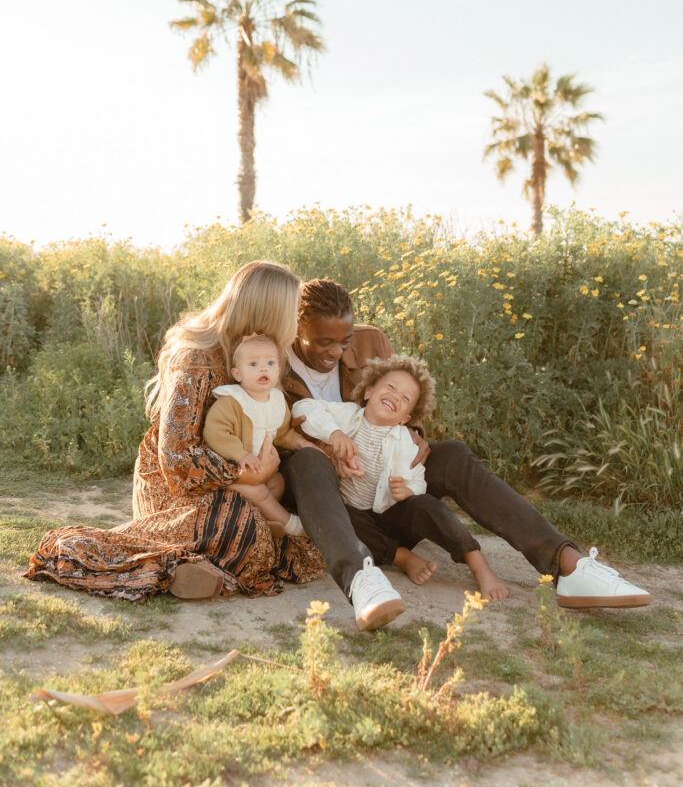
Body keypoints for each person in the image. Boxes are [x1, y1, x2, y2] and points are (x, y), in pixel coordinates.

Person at [278, 278, 652, 615]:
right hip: (335, 511)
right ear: (297, 328)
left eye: (343, 343)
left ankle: (568, 564)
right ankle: (362, 581)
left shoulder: (370, 339)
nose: (336, 353)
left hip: (390, 496)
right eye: (323, 342)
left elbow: (407, 399)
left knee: (453, 453)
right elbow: (272, 437)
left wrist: (415, 437)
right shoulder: (274, 362)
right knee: (308, 462)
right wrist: (331, 451)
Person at [25, 262, 326, 602]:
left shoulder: (264, 358)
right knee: (242, 525)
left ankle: (190, 568)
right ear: (268, 311)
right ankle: (163, 563)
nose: (294, 323)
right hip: (175, 485)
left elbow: (279, 421)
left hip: (236, 481)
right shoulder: (197, 358)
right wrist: (247, 475)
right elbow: (176, 455)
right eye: (290, 312)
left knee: (287, 535)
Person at [293, 354, 508, 612]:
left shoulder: (405, 440)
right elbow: (303, 408)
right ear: (369, 391)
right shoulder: (347, 416)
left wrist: (408, 491)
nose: (395, 396)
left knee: (428, 506)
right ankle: (403, 558)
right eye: (390, 387)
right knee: (347, 519)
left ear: (406, 418)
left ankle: (478, 564)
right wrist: (334, 433)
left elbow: (418, 479)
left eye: (405, 398)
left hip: (390, 517)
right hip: (354, 521)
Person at [203, 333, 305, 538]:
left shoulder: (276, 401)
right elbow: (215, 432)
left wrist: (299, 442)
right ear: (237, 374)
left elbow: (282, 432)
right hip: (235, 475)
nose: (263, 368)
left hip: (262, 471)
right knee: (258, 492)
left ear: (278, 371)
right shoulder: (232, 402)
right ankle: (290, 526)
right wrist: (241, 455)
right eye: (253, 364)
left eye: (270, 363)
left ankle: (259, 520)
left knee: (278, 483)